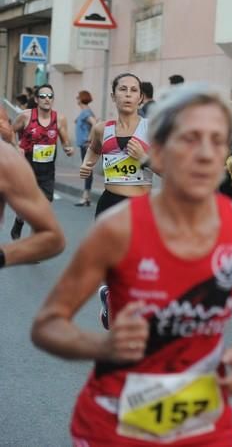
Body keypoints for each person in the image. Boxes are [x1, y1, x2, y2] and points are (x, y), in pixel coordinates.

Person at [31, 83, 232, 446]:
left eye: (216, 141)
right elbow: (47, 325)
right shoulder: (117, 230)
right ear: (160, 149)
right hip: (114, 422)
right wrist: (101, 347)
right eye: (191, 138)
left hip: (201, 421)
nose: (206, 154)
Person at [79, 73, 153, 328]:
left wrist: (144, 158)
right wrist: (87, 163)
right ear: (114, 96)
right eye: (123, 89)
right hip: (110, 202)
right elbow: (94, 148)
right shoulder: (102, 128)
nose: (129, 94)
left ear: (141, 98)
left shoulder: (151, 129)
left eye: (134, 90)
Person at [10, 84, 74, 240]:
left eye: (50, 96)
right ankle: (19, 221)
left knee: (43, 207)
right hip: (26, 166)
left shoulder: (59, 118)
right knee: (26, 204)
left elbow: (65, 141)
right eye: (43, 96)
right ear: (37, 99)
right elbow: (10, 130)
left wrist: (68, 148)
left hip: (47, 168)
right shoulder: (26, 116)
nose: (47, 99)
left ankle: (34, 242)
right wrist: (15, 146)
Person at [0, 140, 65, 267]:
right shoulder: (24, 119)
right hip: (30, 163)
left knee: (44, 202)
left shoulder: (5, 159)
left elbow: (53, 237)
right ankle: (19, 221)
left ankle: (21, 223)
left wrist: (3, 256)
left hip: (44, 171)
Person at [74, 90, 98, 207]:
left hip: (85, 145)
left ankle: (85, 197)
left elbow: (94, 123)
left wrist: (89, 138)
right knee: (87, 170)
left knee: (87, 170)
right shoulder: (84, 112)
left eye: (78, 97)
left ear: (81, 98)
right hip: (83, 145)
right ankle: (86, 197)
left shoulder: (86, 112)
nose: (76, 99)